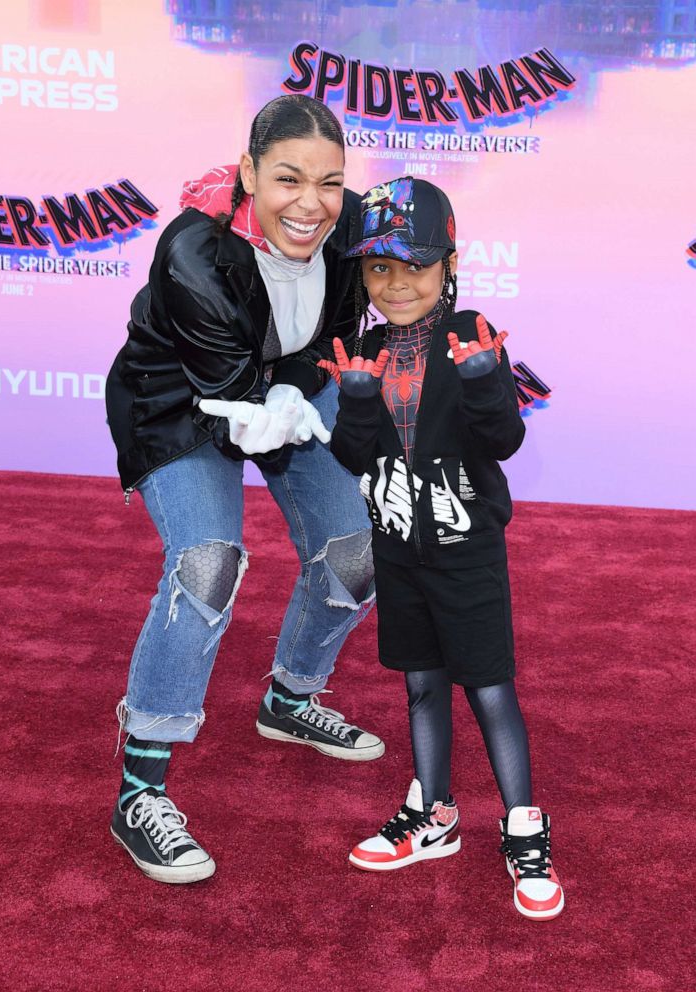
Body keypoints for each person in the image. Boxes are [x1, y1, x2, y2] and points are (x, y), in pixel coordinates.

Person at [104, 95, 384, 885]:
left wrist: (298, 385)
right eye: (288, 177)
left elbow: (335, 328)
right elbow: (226, 394)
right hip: (182, 402)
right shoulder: (195, 249)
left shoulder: (350, 228)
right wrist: (271, 401)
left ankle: (290, 701)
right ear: (249, 170)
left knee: (355, 554)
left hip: (283, 387)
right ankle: (139, 789)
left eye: (329, 183)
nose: (311, 203)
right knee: (207, 566)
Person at [323, 176, 564, 920]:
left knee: (489, 689)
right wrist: (358, 403)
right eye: (378, 268)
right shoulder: (360, 348)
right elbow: (353, 458)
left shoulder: (469, 331)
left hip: (466, 552)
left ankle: (524, 829)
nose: (396, 284)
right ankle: (434, 814)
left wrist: (488, 383)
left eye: (414, 266)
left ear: (448, 266)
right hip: (397, 550)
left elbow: (502, 442)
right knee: (421, 685)